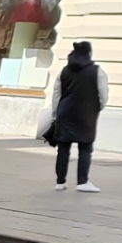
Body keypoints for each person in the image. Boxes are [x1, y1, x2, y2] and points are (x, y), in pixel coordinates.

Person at [46, 38, 109, 190]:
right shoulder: (97, 71)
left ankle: (60, 182)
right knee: (85, 147)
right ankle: (82, 182)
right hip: (86, 113)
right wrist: (98, 107)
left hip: (65, 112)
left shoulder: (64, 71)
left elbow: (56, 94)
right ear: (89, 53)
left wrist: (55, 114)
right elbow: (103, 93)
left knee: (63, 148)